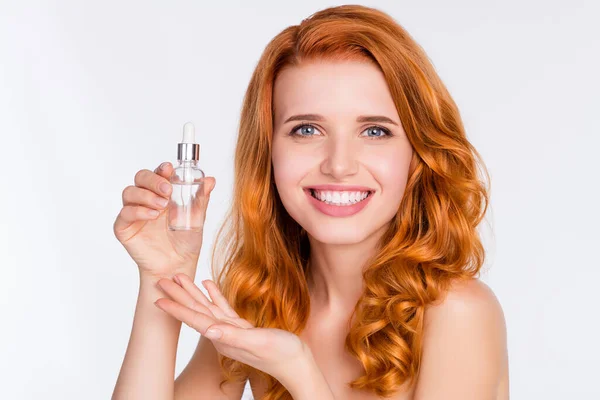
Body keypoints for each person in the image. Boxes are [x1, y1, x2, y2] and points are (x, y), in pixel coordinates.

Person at [112, 4, 508, 400]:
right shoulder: (260, 299)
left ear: (418, 153)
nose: (339, 165)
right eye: (306, 129)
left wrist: (299, 371)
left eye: (374, 131)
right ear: (268, 152)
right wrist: (160, 279)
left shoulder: (458, 313)